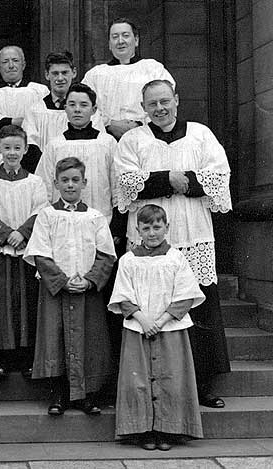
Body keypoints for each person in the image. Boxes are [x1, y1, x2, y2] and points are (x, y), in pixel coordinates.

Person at [115, 79, 232, 408]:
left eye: (165, 101)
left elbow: (219, 176)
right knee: (151, 307)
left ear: (177, 100)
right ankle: (150, 389)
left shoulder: (200, 134)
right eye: (152, 104)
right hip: (149, 238)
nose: (160, 109)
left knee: (196, 305)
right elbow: (125, 181)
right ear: (143, 108)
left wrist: (187, 182)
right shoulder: (133, 139)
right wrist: (167, 178)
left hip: (191, 232)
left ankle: (202, 384)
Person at [24, 157, 116, 415]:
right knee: (55, 340)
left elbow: (106, 254)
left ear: (84, 183)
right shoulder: (47, 215)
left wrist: (89, 280)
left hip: (87, 291)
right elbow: (40, 253)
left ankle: (87, 396)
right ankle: (59, 395)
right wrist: (62, 281)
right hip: (56, 291)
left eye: (76, 180)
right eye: (64, 180)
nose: (70, 185)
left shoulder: (95, 217)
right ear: (55, 183)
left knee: (90, 341)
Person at [109, 204, 205, 451]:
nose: (152, 233)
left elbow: (185, 295)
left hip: (170, 328)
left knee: (171, 379)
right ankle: (143, 431)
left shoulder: (176, 258)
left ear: (166, 227)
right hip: (138, 328)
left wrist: (161, 321)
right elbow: (123, 295)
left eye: (157, 227)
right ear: (138, 229)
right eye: (146, 227)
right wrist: (144, 320)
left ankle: (167, 431)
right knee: (137, 381)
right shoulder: (128, 260)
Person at [0, 125, 48, 377]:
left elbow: (40, 210)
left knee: (26, 304)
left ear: (26, 150)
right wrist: (6, 234)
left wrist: (22, 233)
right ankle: (0, 358)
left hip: (25, 251)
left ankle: (25, 358)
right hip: (0, 251)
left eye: (17, 148)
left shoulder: (35, 182)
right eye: (7, 147)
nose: (12, 153)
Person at [35, 83, 117, 223]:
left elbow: (117, 186)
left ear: (94, 109)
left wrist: (116, 226)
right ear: (65, 108)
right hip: (62, 223)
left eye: (84, 105)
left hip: (101, 221)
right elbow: (44, 188)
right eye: (72, 105)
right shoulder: (55, 145)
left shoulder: (107, 143)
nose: (77, 110)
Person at [82, 17, 175, 141]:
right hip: (106, 140)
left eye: (125, 35)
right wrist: (109, 124)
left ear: (136, 40)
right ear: (109, 44)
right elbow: (84, 107)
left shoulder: (153, 69)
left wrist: (141, 127)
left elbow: (166, 104)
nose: (120, 41)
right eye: (115, 37)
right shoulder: (95, 75)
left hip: (147, 139)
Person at [0, 45, 47, 172]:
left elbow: (43, 122)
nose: (11, 65)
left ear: (23, 64)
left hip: (31, 152)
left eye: (15, 60)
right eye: (5, 62)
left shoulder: (39, 91)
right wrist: (16, 121)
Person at [23, 52, 105, 153]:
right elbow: (30, 146)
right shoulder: (35, 111)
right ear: (47, 75)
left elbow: (99, 144)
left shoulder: (87, 110)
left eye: (65, 72)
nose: (60, 78)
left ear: (74, 72)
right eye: (55, 73)